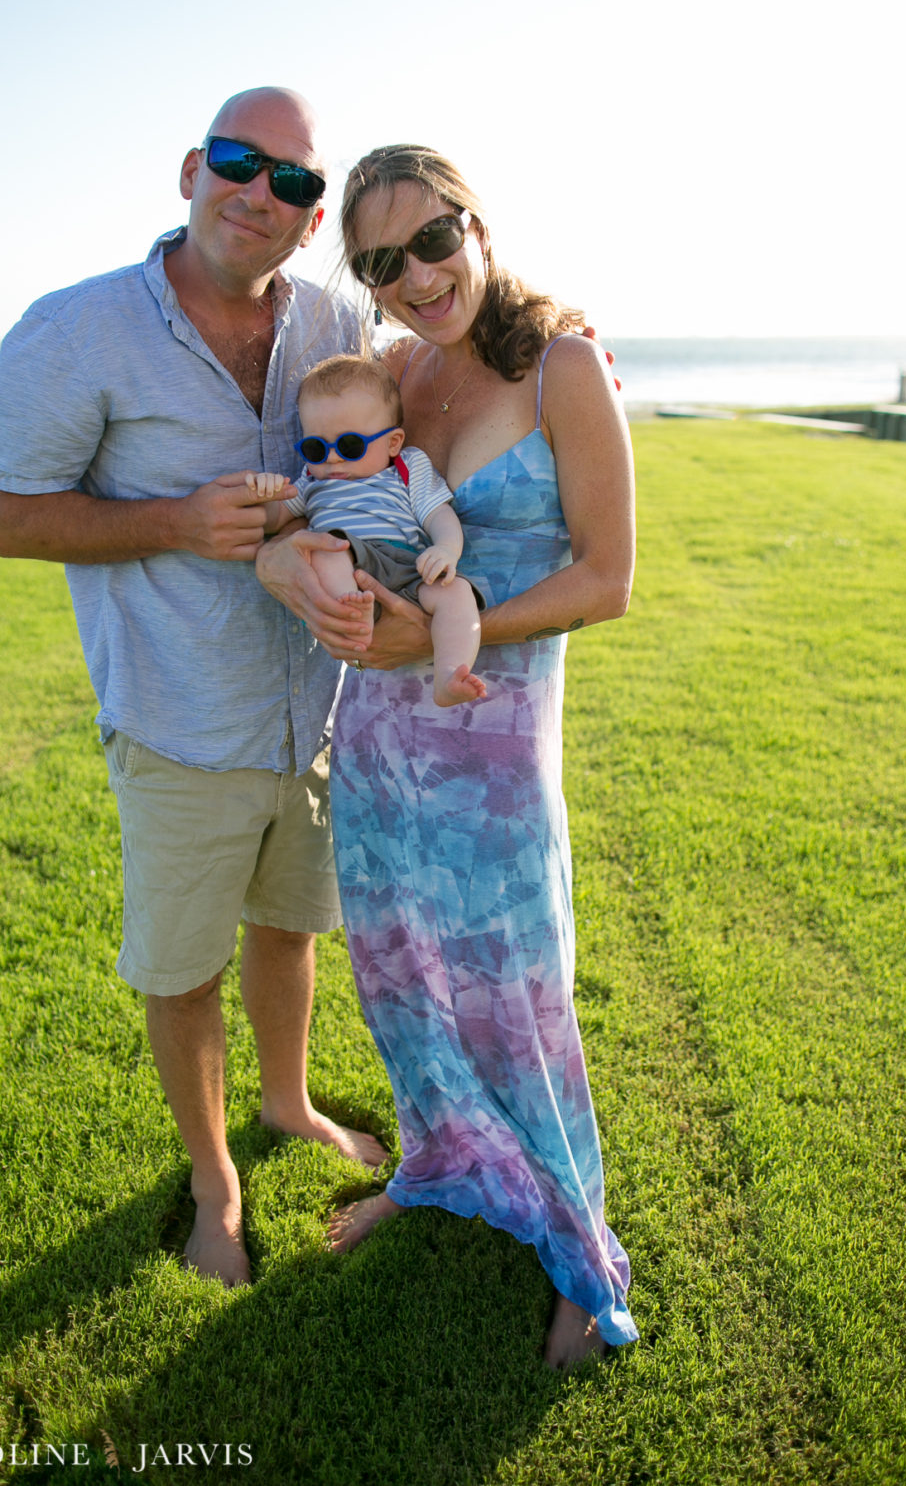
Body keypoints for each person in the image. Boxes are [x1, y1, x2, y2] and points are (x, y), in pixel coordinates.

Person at [0, 87, 387, 1290]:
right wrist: (174, 520)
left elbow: (424, 381)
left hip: (311, 711)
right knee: (182, 968)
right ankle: (215, 1179)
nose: (260, 193)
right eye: (237, 162)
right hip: (177, 722)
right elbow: (7, 518)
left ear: (312, 220)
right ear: (189, 170)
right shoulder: (73, 331)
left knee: (290, 926)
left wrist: (553, 356)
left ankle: (287, 1105)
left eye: (296, 182)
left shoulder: (330, 320)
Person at [256, 144, 638, 1367]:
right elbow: (311, 509)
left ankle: (580, 1251)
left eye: (431, 241)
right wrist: (297, 573)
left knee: (519, 997)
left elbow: (606, 578)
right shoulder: (390, 376)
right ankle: (439, 1167)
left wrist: (445, 632)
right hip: (374, 737)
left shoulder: (562, 366)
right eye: (381, 261)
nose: (416, 277)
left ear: (475, 225)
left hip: (493, 742)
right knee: (405, 974)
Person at [254, 353, 488, 707]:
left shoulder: (407, 467)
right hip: (348, 561)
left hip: (406, 564)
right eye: (315, 448)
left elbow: (437, 515)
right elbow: (272, 520)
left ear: (392, 443)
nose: (331, 458)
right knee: (327, 547)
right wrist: (267, 491)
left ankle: (450, 673)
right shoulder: (309, 480)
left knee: (457, 594)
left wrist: (445, 550)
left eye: (349, 445)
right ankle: (354, 615)